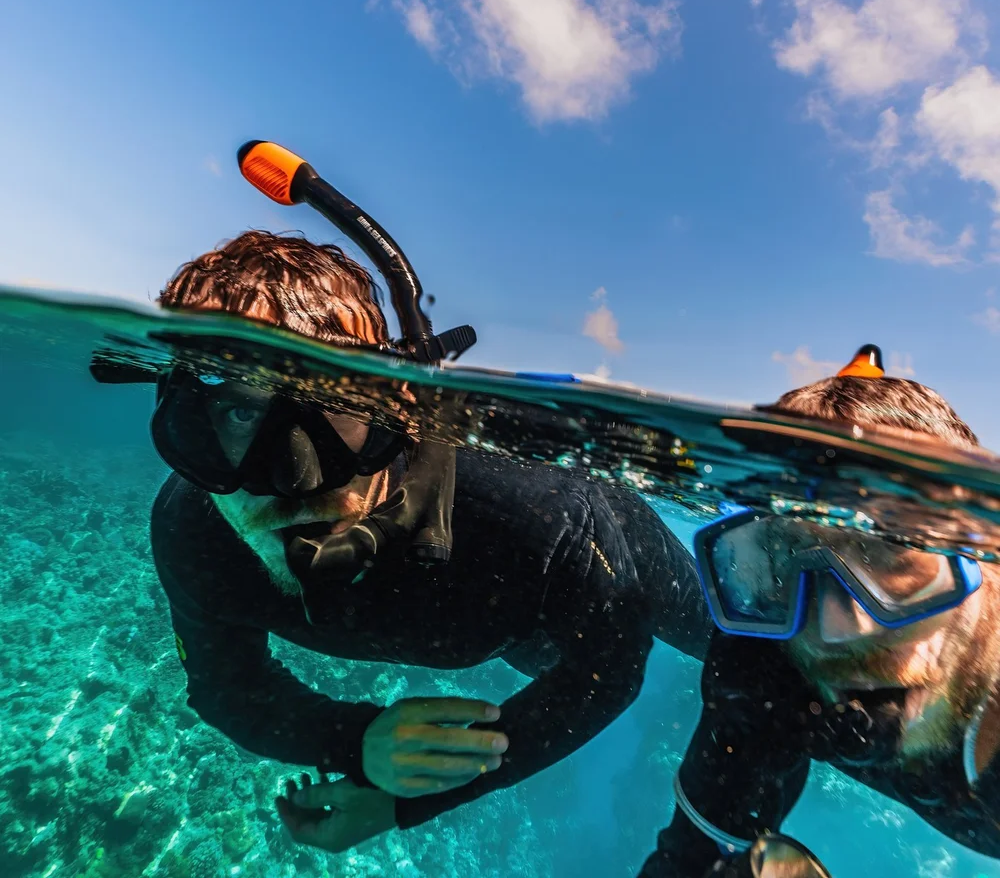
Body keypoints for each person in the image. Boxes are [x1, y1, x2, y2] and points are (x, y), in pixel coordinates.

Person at [100, 229, 711, 854]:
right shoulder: (194, 532)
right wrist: (355, 741)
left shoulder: (536, 517)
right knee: (546, 659)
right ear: (186, 423)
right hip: (512, 622)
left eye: (334, 407)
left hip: (610, 558)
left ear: (394, 410)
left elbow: (606, 673)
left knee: (730, 644)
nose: (294, 483)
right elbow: (227, 686)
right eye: (238, 412)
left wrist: (406, 802)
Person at [639, 346, 1000, 877]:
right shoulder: (767, 662)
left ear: (983, 555)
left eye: (892, 549)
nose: (835, 630)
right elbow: (687, 862)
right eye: (784, 560)